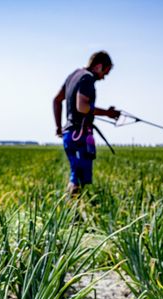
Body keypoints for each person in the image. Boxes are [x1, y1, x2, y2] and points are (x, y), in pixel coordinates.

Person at [53, 51, 120, 197]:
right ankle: (72, 216)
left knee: (77, 176)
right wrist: (108, 113)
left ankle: (73, 215)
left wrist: (59, 127)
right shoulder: (87, 78)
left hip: (69, 134)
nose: (103, 78)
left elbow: (57, 100)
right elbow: (82, 107)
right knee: (77, 180)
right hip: (79, 135)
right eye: (105, 73)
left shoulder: (73, 75)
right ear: (99, 66)